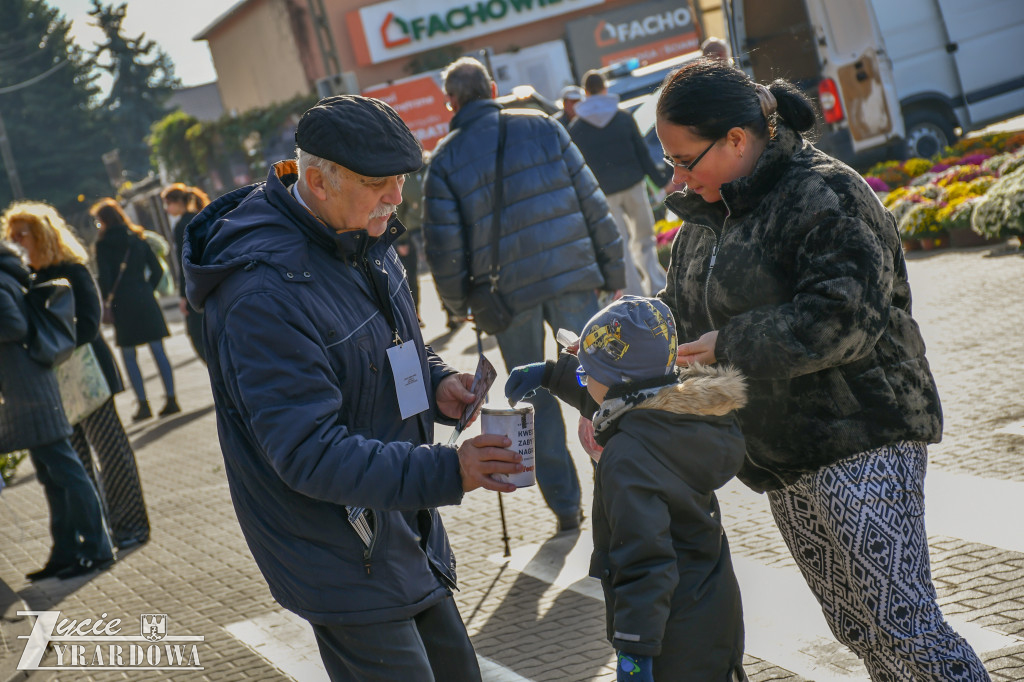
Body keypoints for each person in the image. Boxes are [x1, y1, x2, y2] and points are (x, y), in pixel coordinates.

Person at [655, 59, 988, 680]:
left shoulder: (825, 191)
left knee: (905, 628)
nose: (676, 176)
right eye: (668, 160)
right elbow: (680, 312)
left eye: (685, 159)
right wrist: (630, 339)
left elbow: (844, 319)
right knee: (860, 631)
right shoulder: (706, 217)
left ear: (736, 139)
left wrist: (729, 342)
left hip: (862, 432)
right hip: (780, 457)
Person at [182, 95, 524, 681]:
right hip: (341, 550)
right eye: (379, 183)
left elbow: (384, 339)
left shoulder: (357, 230)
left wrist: (438, 380)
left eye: (400, 180)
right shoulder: (263, 293)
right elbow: (308, 452)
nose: (396, 196)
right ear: (317, 180)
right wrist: (450, 471)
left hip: (397, 518)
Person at [422, 57, 625, 532]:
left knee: (534, 391)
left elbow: (445, 249)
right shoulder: (544, 126)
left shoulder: (445, 160)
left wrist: (457, 307)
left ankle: (565, 507)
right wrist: (612, 266)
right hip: (573, 274)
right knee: (595, 382)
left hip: (505, 297)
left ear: (450, 102)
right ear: (493, 87)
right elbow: (590, 198)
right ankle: (617, 485)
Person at [504, 296, 748, 681]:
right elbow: (618, 393)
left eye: (585, 373)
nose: (583, 379)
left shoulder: (627, 457)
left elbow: (644, 559)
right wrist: (552, 374)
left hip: (669, 639)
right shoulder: (676, 417)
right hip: (712, 613)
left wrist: (635, 650)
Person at [2, 202, 149, 550]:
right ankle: (99, 534)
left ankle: (130, 528)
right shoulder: (28, 279)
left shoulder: (72, 269)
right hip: (54, 381)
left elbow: (89, 322)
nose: (15, 241)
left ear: (42, 235)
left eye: (20, 234)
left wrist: (49, 344)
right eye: (11, 236)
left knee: (112, 455)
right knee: (79, 460)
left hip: (87, 373)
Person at [0, 240, 115, 580]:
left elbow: (15, 326)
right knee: (52, 474)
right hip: (28, 385)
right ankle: (65, 551)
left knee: (66, 471)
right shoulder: (9, 274)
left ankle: (97, 549)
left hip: (29, 388)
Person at [570, 70, 672, 297]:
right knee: (644, 239)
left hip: (603, 194)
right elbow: (642, 153)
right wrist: (661, 181)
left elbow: (577, 169)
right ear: (605, 89)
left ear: (585, 93)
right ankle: (656, 286)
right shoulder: (623, 117)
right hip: (633, 186)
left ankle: (632, 293)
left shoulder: (576, 129)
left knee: (620, 245)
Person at [91, 198, 179, 421]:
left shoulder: (103, 245)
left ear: (104, 221)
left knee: (129, 355)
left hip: (122, 303)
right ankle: (171, 399)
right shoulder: (137, 238)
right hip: (145, 298)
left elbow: (105, 278)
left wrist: (107, 298)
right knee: (158, 350)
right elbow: (158, 269)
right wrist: (147, 288)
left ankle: (143, 404)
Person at [161, 182, 211, 363]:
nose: (167, 209)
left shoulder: (182, 225)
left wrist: (183, 295)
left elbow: (184, 262)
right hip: (210, 279)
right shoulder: (202, 217)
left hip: (195, 285)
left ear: (177, 202)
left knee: (198, 336)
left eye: (168, 204)